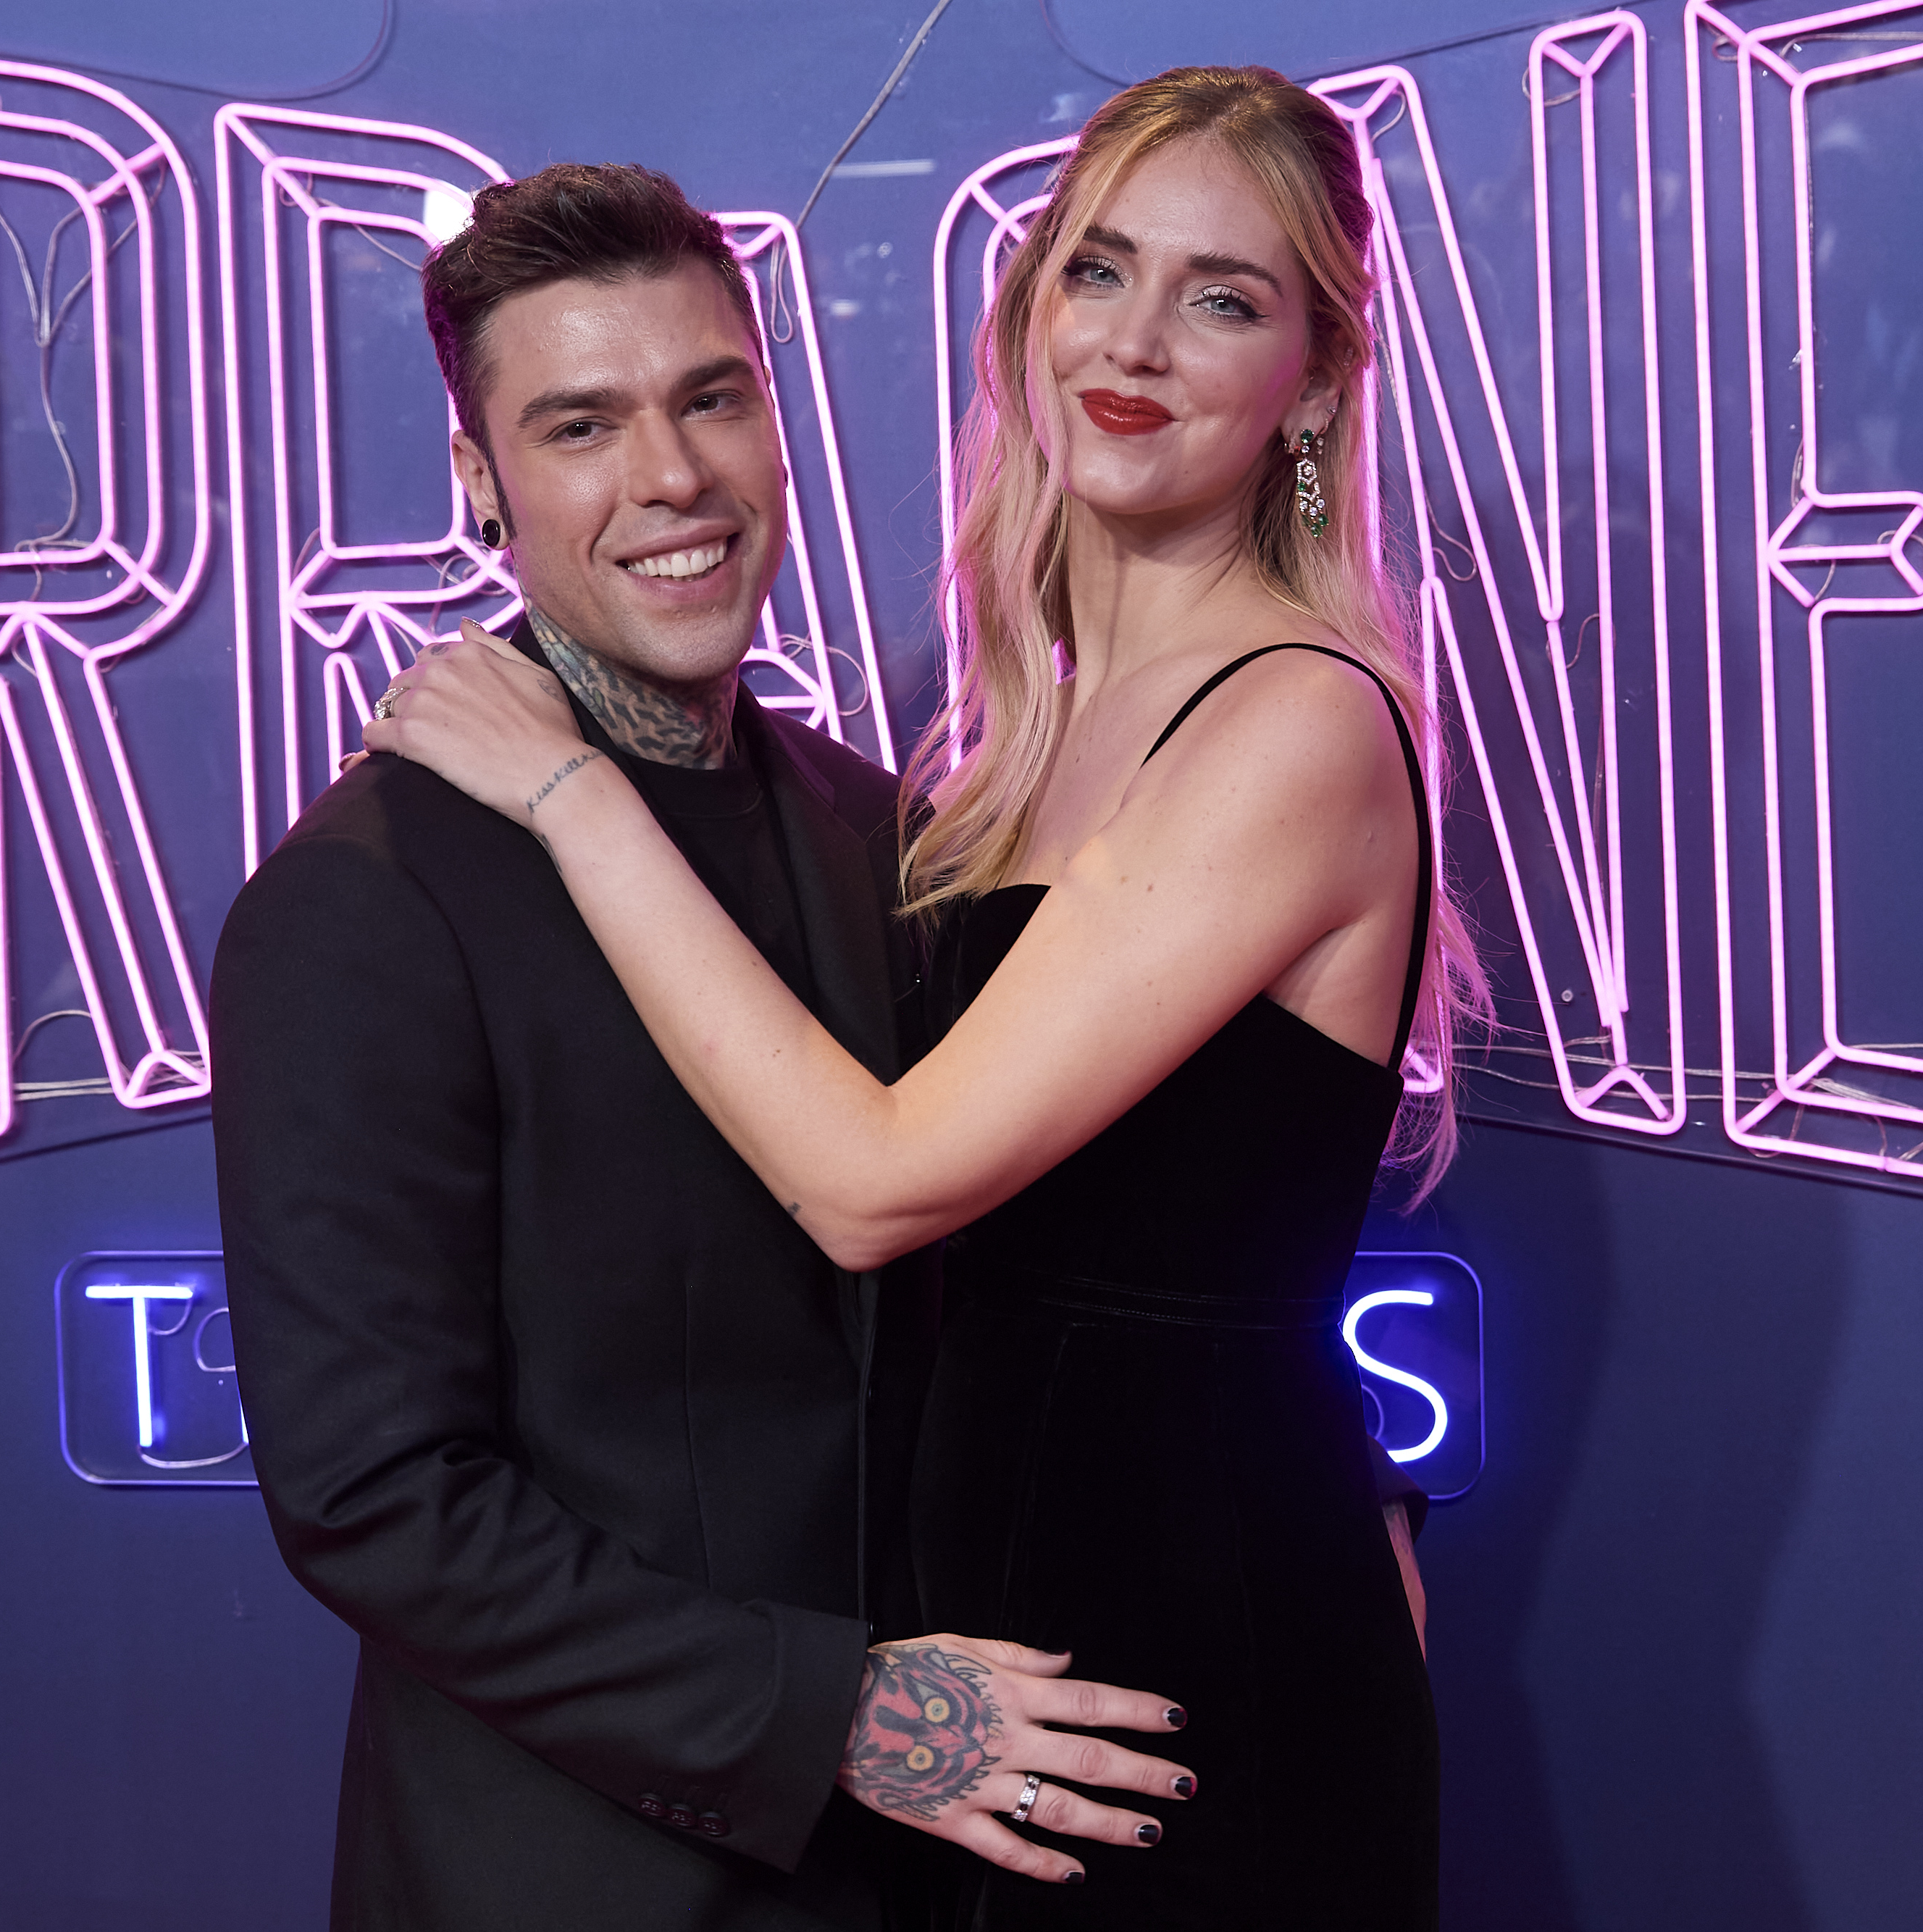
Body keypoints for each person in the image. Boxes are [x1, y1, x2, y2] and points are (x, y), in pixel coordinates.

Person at [363, 70, 1475, 1928]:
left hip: (1183, 1640)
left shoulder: (1288, 720)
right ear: (1024, 307)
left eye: (1223, 296)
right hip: (993, 1640)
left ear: (1317, 381)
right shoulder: (997, 747)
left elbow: (881, 1180)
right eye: (1096, 269)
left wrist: (563, 783)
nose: (1134, 341)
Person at [210, 162, 1193, 1932]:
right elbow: (373, 1495)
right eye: (579, 423)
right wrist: (840, 1714)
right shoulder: (366, 902)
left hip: (923, 1874)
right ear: (476, 478)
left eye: (710, 396)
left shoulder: (872, 824)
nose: (671, 477)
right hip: (577, 1873)